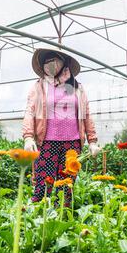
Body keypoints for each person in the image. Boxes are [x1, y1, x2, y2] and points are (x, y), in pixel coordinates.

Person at [22, 48, 101, 206]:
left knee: (66, 186)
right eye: (46, 62)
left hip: (72, 144)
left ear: (64, 63)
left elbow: (86, 114)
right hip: (47, 143)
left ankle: (63, 222)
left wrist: (92, 141)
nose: (49, 65)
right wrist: (28, 137)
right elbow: (30, 111)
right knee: (43, 184)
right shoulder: (39, 87)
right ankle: (38, 222)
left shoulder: (75, 88)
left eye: (53, 61)